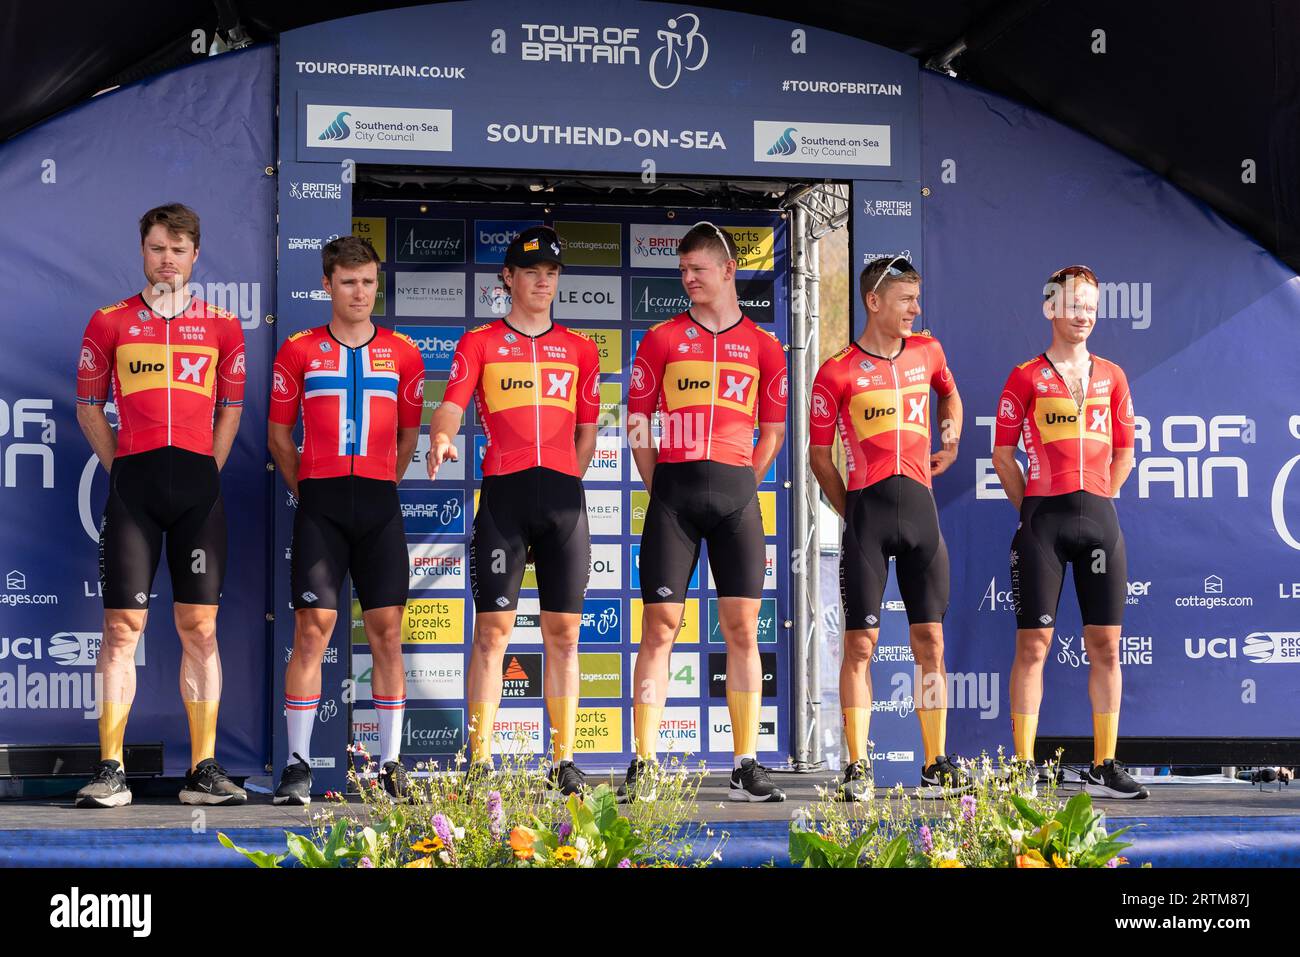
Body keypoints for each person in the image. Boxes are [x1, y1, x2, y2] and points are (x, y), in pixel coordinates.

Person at [74, 203, 247, 808]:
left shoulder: (225, 327)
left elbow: (231, 409)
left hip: (197, 490)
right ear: (141, 252)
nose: (166, 259)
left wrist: (206, 469)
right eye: (156, 248)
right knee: (123, 628)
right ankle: (111, 769)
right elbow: (88, 405)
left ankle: (203, 769)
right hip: (135, 490)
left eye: (177, 249)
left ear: (195, 256)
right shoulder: (109, 322)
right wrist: (122, 466)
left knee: (200, 628)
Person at [425, 225, 600, 796]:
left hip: (563, 504)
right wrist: (442, 437)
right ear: (509, 277)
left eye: (551, 272)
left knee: (566, 636)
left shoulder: (580, 349)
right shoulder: (479, 342)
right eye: (531, 272)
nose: (543, 281)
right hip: (505, 496)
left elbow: (588, 430)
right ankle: (479, 762)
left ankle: (564, 761)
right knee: (492, 633)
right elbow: (450, 407)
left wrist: (567, 478)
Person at [624, 222, 789, 803]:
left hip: (737, 498)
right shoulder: (662, 339)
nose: (688, 279)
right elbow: (639, 424)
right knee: (659, 628)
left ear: (727, 271)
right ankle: (644, 763)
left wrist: (743, 479)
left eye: (698, 269)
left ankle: (746, 762)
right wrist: (661, 483)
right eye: (682, 271)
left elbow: (772, 431)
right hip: (674, 495)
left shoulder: (766, 347)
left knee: (743, 631)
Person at [267, 236, 424, 805]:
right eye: (349, 282)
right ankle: (298, 765)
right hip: (321, 506)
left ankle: (389, 766)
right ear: (328, 284)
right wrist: (309, 489)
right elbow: (280, 438)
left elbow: (409, 436)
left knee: (387, 635)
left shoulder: (403, 352)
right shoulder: (299, 350)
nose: (360, 292)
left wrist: (383, 481)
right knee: (313, 634)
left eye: (369, 281)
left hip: (379, 505)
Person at [810, 256, 969, 800]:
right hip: (867, 518)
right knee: (861, 645)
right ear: (874, 302)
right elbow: (818, 457)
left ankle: (934, 763)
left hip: (922, 513)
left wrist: (950, 438)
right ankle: (857, 768)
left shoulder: (929, 351)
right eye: (905, 299)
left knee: (931, 641)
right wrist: (850, 510)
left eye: (916, 299)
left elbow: (949, 393)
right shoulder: (836, 370)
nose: (915, 308)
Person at [991, 264, 1146, 799]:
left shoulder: (1113, 375)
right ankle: (1023, 768)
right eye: (1073, 305)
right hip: (1044, 522)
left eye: (1091, 307)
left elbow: (1126, 451)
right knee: (1033, 645)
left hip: (1100, 520)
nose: (1083, 315)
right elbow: (1002, 453)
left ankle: (1106, 763)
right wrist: (1030, 506)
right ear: (1049, 308)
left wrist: (1103, 492)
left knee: (1106, 645)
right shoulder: (1025, 376)